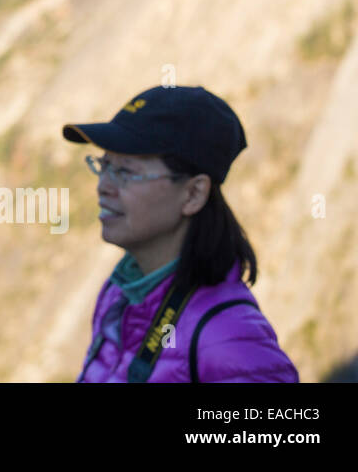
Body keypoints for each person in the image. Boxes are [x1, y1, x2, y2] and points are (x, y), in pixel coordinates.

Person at [65, 85, 298, 382]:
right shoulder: (119, 294)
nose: (103, 186)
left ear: (193, 194)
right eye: (104, 166)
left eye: (125, 172)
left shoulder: (229, 336)